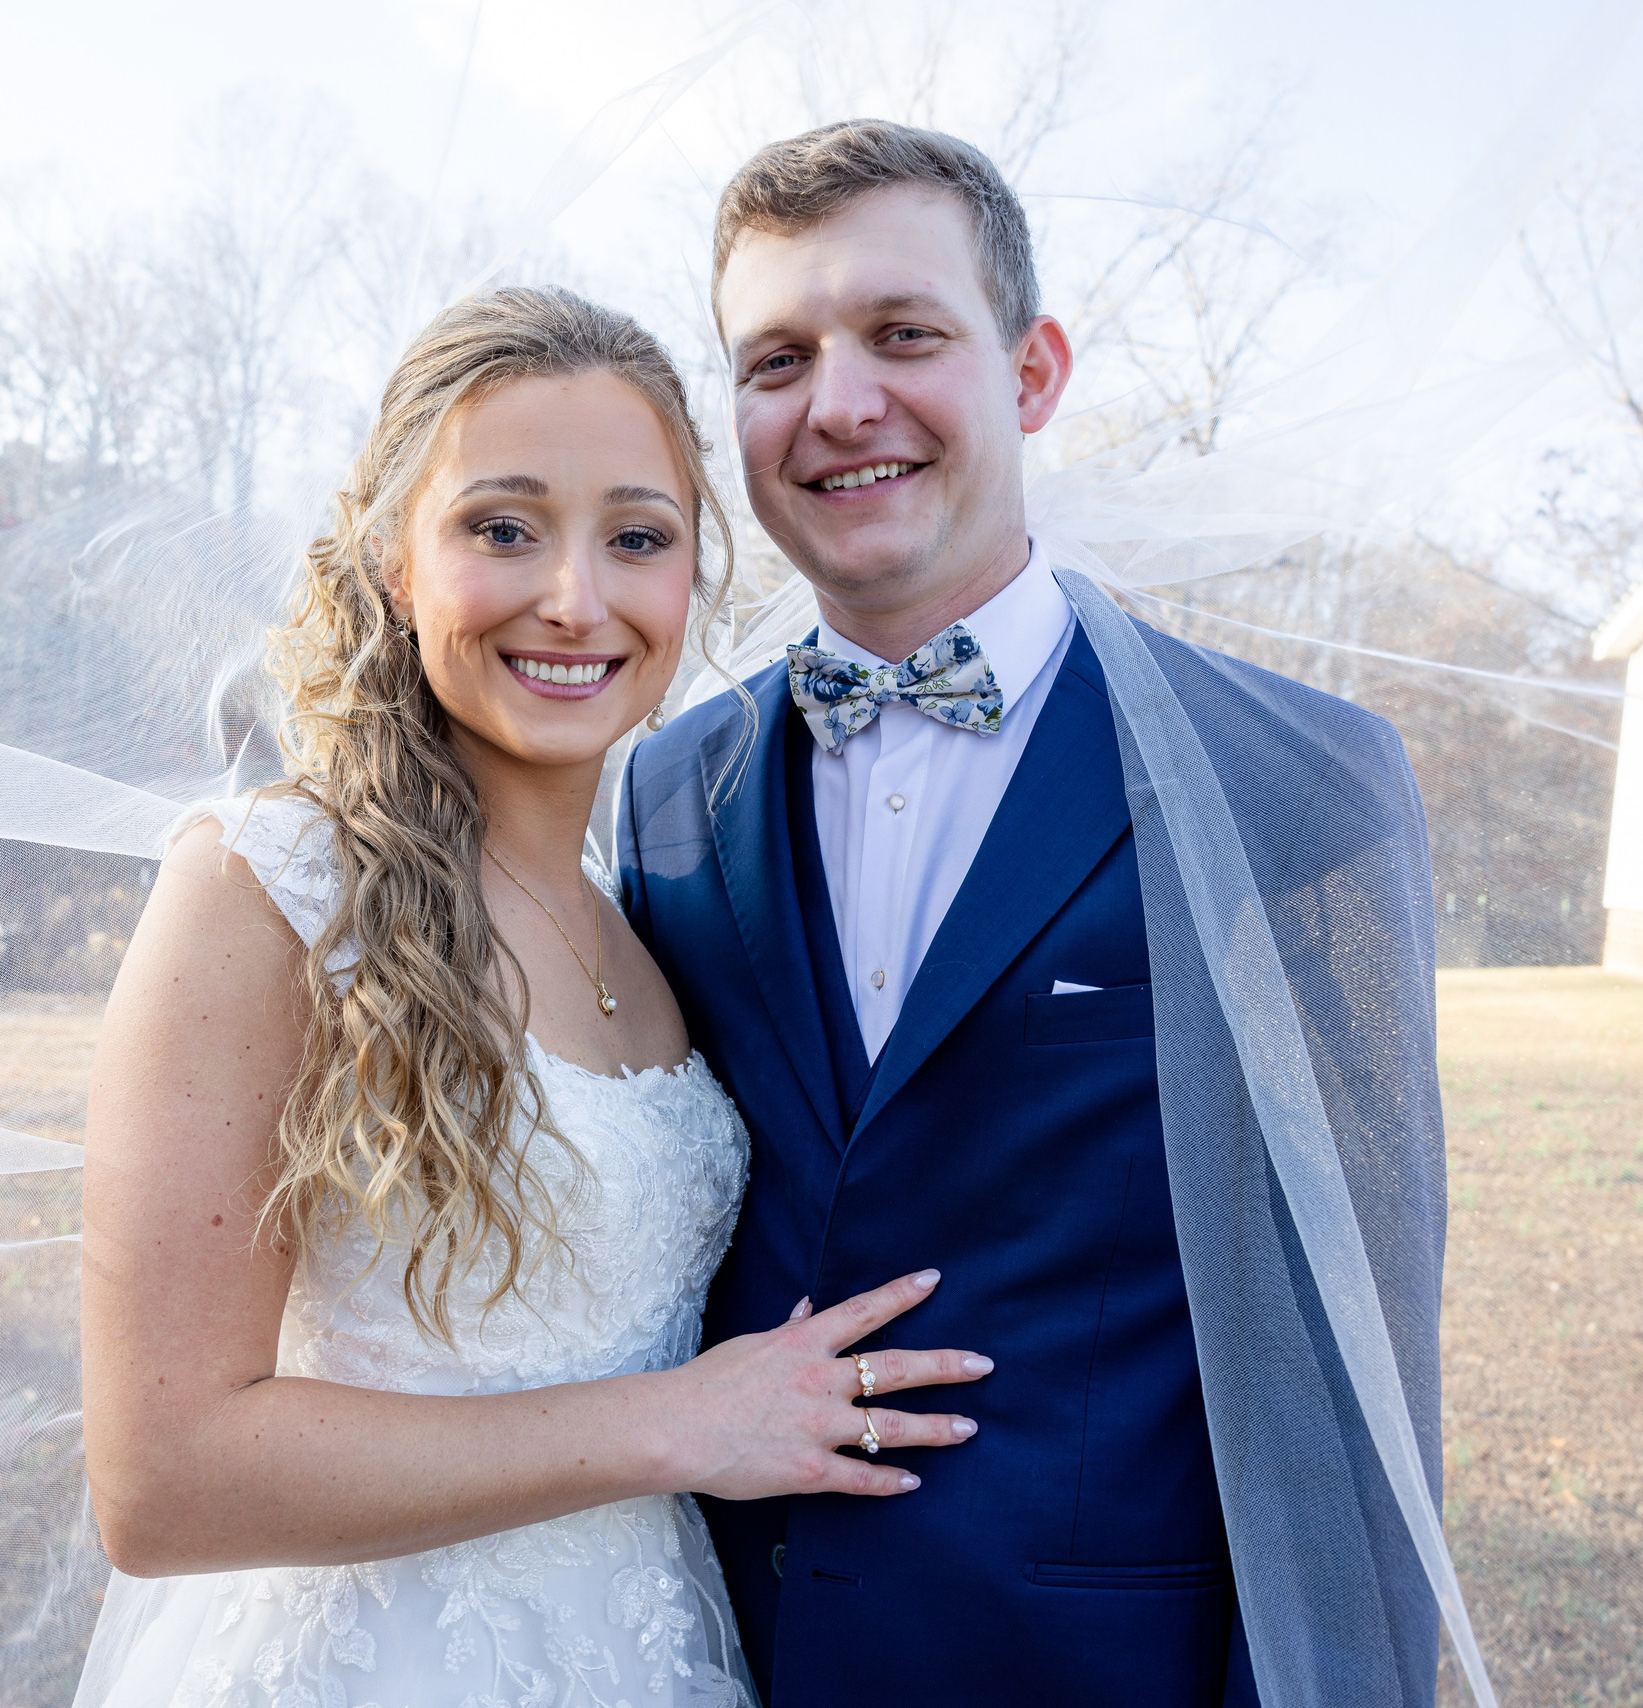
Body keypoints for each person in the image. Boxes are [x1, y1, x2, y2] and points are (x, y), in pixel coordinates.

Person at [619, 123, 1449, 1704]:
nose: (839, 404)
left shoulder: (1299, 788)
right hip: (716, 1652)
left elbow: (1351, 1376)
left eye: (904, 333)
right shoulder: (661, 789)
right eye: (777, 359)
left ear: (1034, 372)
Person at [74, 286, 991, 1708]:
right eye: (503, 529)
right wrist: (673, 1426)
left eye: (638, 537)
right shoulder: (270, 886)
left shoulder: (641, 922)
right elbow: (163, 1479)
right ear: (394, 559)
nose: (576, 597)